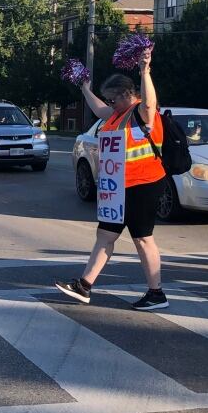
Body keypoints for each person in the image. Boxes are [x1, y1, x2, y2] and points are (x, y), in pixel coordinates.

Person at [55, 48, 170, 310]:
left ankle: (157, 293)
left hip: (143, 184)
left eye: (112, 99)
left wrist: (144, 70)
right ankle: (84, 286)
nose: (109, 104)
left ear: (127, 94)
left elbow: (150, 103)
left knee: (143, 238)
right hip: (118, 186)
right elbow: (98, 110)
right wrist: (85, 87)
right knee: (105, 235)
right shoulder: (117, 115)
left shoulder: (142, 113)